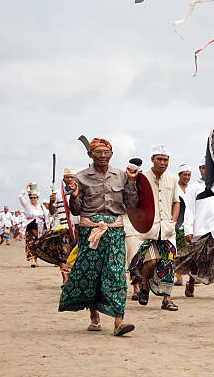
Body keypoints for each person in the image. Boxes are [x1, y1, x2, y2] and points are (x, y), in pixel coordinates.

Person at [58, 137, 139, 337]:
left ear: (112, 154)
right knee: (90, 273)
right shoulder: (81, 177)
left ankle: (119, 321)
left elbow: (132, 203)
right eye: (98, 153)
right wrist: (74, 195)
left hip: (115, 231)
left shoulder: (122, 175)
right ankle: (94, 317)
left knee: (117, 273)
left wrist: (131, 182)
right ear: (90, 155)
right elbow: (76, 211)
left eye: (107, 153)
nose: (103, 156)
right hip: (89, 232)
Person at [129, 145, 180, 311]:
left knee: (168, 262)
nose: (163, 163)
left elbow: (176, 202)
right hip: (148, 230)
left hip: (167, 229)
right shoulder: (142, 178)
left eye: (166, 160)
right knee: (150, 262)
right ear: (152, 159)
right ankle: (144, 285)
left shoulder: (172, 179)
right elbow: (132, 202)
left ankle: (167, 299)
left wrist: (173, 221)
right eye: (159, 159)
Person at [174, 158, 214, 300]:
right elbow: (190, 210)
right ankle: (191, 284)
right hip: (199, 229)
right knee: (197, 261)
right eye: (202, 167)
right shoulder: (194, 187)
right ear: (199, 169)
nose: (205, 170)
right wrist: (188, 230)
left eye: (207, 168)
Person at [36, 169, 80, 286]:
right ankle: (65, 277)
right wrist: (51, 202)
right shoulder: (57, 193)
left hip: (78, 226)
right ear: (63, 179)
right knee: (63, 251)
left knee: (75, 253)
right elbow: (51, 212)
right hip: (62, 227)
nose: (70, 179)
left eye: (72, 177)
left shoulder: (80, 190)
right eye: (67, 177)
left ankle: (73, 277)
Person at [123, 157, 144, 300]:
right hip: (122, 223)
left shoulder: (144, 181)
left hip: (138, 226)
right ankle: (134, 287)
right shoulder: (121, 180)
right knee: (125, 259)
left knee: (135, 258)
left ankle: (138, 287)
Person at [19, 183, 50, 267]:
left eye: (34, 197)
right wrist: (26, 186)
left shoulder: (42, 207)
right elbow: (20, 196)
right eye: (31, 198)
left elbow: (47, 217)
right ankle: (33, 260)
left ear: (37, 198)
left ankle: (36, 260)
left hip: (40, 228)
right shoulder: (27, 206)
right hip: (30, 227)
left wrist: (48, 228)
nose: (33, 199)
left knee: (37, 244)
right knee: (30, 243)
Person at [173, 163, 191, 287]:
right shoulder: (175, 189)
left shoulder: (192, 189)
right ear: (179, 175)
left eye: (189, 175)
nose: (187, 177)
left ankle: (192, 278)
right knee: (177, 253)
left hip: (189, 226)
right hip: (177, 226)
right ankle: (178, 277)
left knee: (190, 253)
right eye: (185, 174)